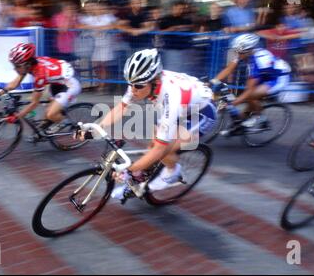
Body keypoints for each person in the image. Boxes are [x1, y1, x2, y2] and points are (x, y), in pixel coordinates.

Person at [83, 49, 215, 201]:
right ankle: (139, 179)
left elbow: (159, 150)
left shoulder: (170, 98)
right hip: (183, 107)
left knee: (163, 150)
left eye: (138, 86)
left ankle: (172, 172)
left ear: (155, 82)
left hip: (202, 113)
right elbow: (121, 107)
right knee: (153, 145)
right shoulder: (141, 80)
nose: (133, 90)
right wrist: (95, 130)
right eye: (130, 84)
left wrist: (130, 170)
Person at [0, 43, 81, 135]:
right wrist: (1, 92)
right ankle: (50, 122)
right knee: (47, 109)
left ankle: (65, 123)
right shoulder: (30, 64)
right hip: (58, 81)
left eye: (17, 66)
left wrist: (18, 116)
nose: (15, 69)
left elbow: (34, 103)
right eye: (14, 65)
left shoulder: (39, 74)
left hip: (71, 85)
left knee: (50, 114)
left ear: (28, 64)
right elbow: (15, 82)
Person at [210, 33, 291, 136]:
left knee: (251, 96)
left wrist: (233, 104)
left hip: (279, 78)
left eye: (239, 52)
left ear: (248, 51)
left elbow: (249, 91)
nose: (236, 54)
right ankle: (240, 124)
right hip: (264, 74)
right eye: (236, 51)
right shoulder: (244, 52)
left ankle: (261, 119)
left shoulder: (257, 61)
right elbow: (229, 69)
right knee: (247, 100)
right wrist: (212, 81)